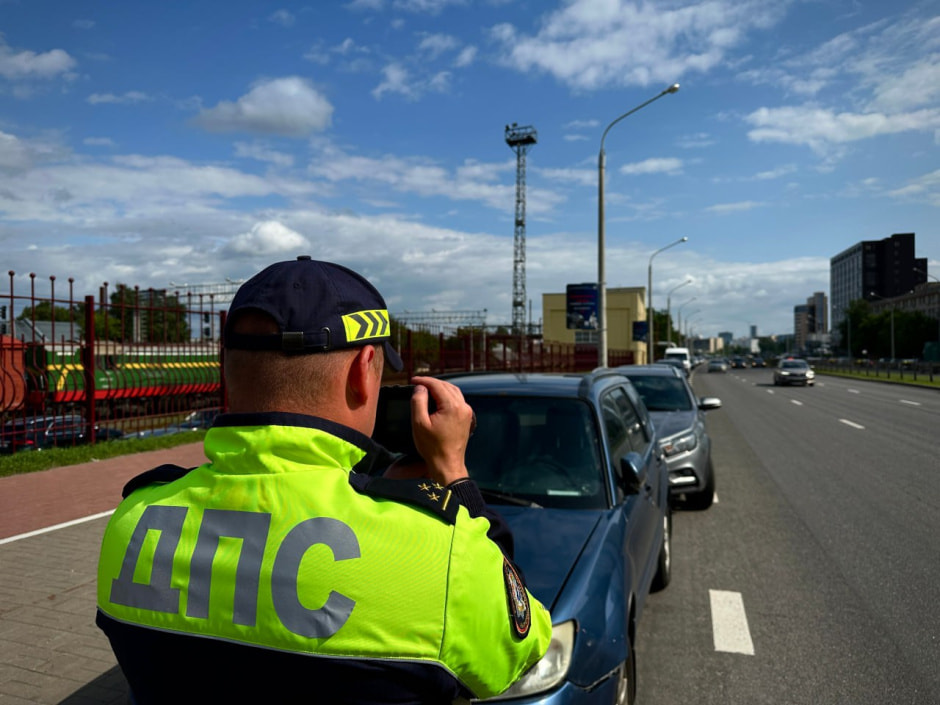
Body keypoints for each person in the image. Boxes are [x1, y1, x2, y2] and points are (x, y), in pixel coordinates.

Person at [96, 255, 552, 704]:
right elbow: (519, 649)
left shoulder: (133, 521)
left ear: (227, 370)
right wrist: (454, 474)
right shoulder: (442, 550)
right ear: (361, 371)